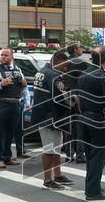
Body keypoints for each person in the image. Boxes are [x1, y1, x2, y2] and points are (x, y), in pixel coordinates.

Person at [75, 47, 105, 199]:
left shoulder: (83, 75)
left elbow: (78, 99)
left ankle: (92, 186)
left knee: (91, 155)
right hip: (98, 121)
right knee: (99, 156)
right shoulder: (103, 76)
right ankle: (93, 191)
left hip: (84, 119)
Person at [30, 49, 73, 188]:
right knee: (49, 149)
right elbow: (63, 98)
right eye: (64, 65)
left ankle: (58, 175)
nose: (65, 68)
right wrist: (76, 100)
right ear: (56, 61)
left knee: (56, 147)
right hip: (50, 117)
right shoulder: (54, 76)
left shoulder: (42, 71)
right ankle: (48, 180)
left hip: (44, 115)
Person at [0, 47, 27, 169]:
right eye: (2, 55)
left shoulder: (17, 69)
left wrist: (24, 83)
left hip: (15, 105)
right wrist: (0, 84)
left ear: (11, 57)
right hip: (1, 104)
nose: (3, 57)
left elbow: (23, 85)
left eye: (6, 55)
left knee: (10, 133)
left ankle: (7, 157)